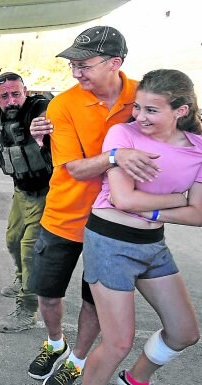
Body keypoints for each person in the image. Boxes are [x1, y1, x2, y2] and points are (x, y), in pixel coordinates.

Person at [26, 26, 162, 385]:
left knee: (94, 299)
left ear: (114, 62)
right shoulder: (64, 104)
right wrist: (118, 156)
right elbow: (74, 168)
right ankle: (55, 343)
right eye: (72, 65)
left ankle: (78, 360)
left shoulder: (145, 96)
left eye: (83, 65)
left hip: (116, 223)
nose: (75, 73)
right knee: (48, 293)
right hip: (64, 215)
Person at [81, 69, 202, 385]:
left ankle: (133, 381)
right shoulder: (124, 136)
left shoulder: (199, 147)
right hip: (110, 241)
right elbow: (123, 200)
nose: (139, 116)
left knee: (184, 332)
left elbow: (198, 214)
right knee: (118, 343)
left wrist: (153, 212)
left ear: (181, 110)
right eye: (137, 107)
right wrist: (178, 198)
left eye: (151, 110)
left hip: (153, 244)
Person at [0, 72, 52, 333]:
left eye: (16, 93)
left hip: (47, 194)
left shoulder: (39, 108)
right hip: (21, 192)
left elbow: (52, 119)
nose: (11, 100)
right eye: (4, 96)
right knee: (13, 239)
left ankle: (27, 311)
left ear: (25, 91)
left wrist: (44, 131)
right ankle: (22, 280)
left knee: (30, 250)